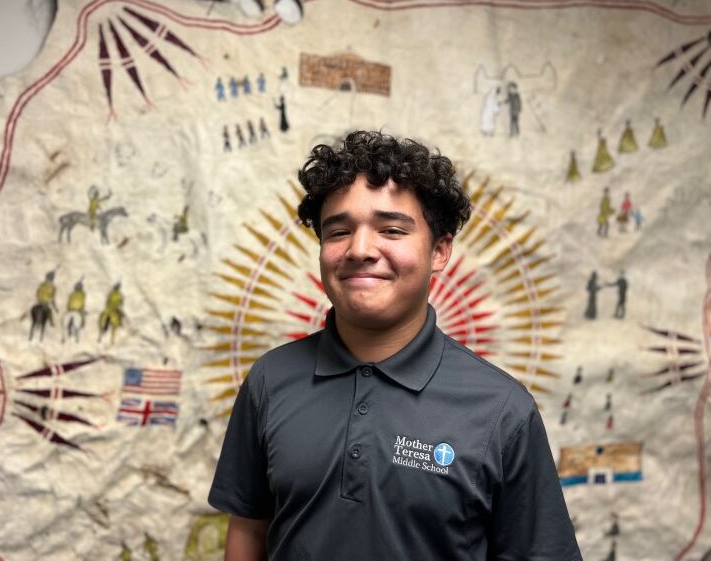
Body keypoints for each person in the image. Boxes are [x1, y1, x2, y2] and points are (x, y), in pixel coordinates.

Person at [208, 130, 581, 560]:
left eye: (391, 229)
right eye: (338, 231)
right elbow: (249, 532)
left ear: (439, 251)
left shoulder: (503, 410)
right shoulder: (269, 381)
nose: (360, 249)